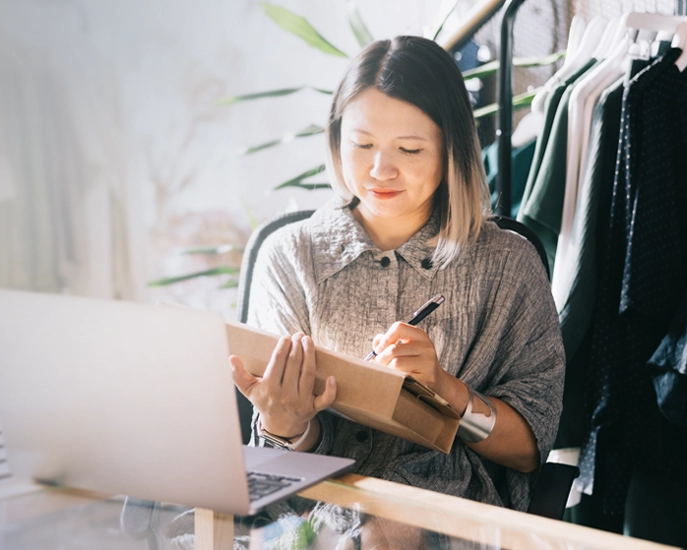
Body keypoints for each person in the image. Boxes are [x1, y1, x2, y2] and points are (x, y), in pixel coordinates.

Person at [226, 35, 565, 519]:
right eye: (362, 144)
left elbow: (530, 449)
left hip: (447, 518)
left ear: (451, 150)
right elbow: (279, 467)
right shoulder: (290, 256)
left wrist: (445, 391)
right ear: (336, 138)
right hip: (317, 513)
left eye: (408, 149)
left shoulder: (507, 263)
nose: (379, 170)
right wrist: (287, 420)